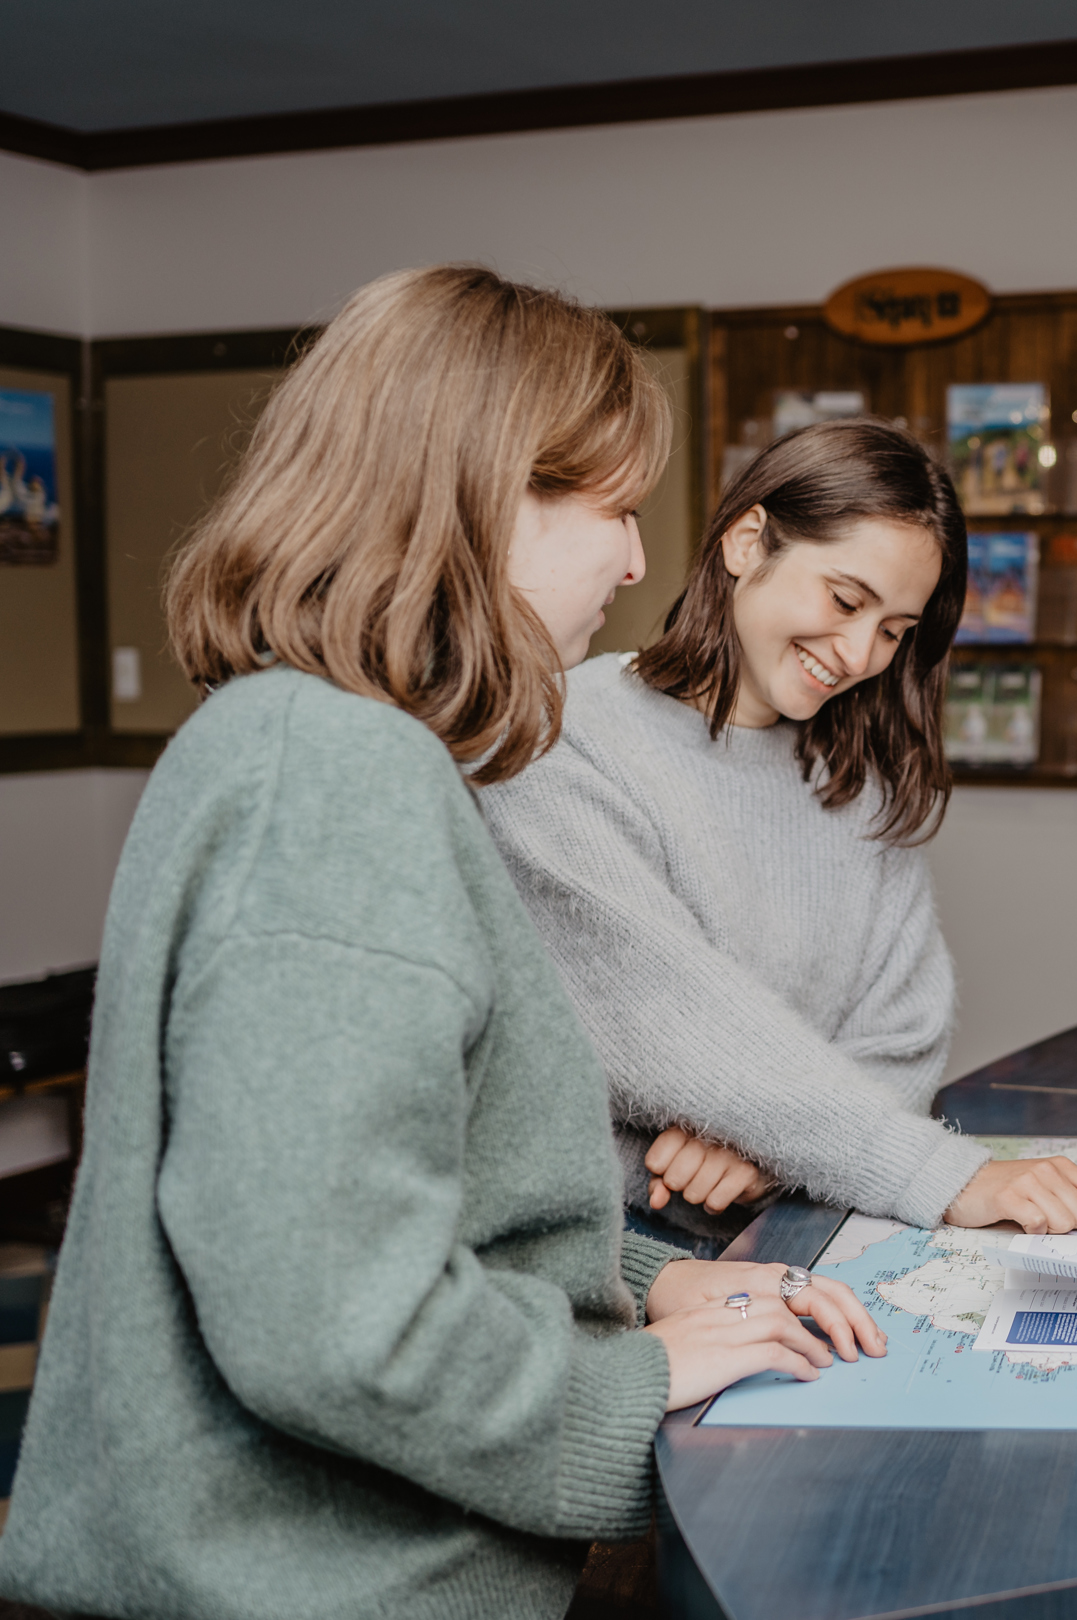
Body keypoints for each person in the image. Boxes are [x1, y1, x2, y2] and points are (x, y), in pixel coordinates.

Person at [0, 266, 885, 1620]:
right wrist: (636, 1389)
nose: (641, 563)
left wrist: (659, 1280)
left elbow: (419, 1202)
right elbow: (334, 1324)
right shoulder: (332, 775)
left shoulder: (329, 749)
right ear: (486, 493)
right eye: (617, 511)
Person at [479, 420, 1077, 1251]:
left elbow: (904, 1043)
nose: (862, 652)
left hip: (798, 1221)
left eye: (896, 631)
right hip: (603, 1253)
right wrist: (941, 1173)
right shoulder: (558, 738)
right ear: (747, 542)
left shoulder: (859, 782)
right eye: (845, 600)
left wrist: (771, 1148)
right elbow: (670, 1019)